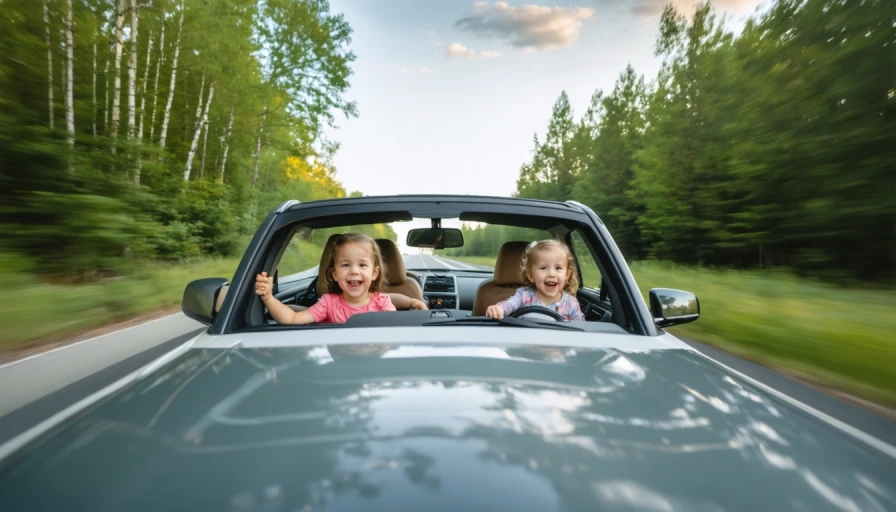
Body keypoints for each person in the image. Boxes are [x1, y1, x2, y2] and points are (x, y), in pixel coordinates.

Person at [256, 232, 427, 324]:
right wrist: (268, 298)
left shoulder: (382, 303)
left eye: (362, 265)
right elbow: (292, 319)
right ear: (334, 274)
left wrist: (413, 302)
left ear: (374, 273)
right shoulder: (328, 304)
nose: (354, 271)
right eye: (345, 265)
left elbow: (393, 333)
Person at [485, 239, 584, 321]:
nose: (551, 274)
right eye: (543, 268)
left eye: (558, 268)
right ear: (531, 275)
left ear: (567, 275)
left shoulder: (571, 304)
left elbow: (581, 330)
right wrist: (499, 309)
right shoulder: (524, 295)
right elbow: (509, 305)